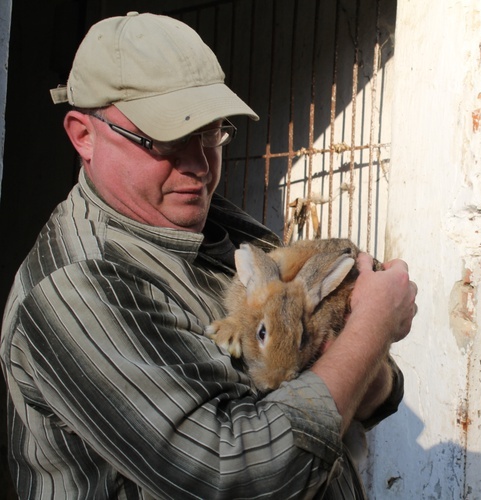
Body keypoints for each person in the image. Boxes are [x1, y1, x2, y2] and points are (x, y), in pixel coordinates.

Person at [0, 12, 417, 499]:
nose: (198, 165)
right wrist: (371, 328)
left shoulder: (224, 230)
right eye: (164, 138)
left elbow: (361, 389)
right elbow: (240, 475)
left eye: (210, 132)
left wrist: (354, 352)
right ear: (83, 136)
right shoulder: (78, 288)